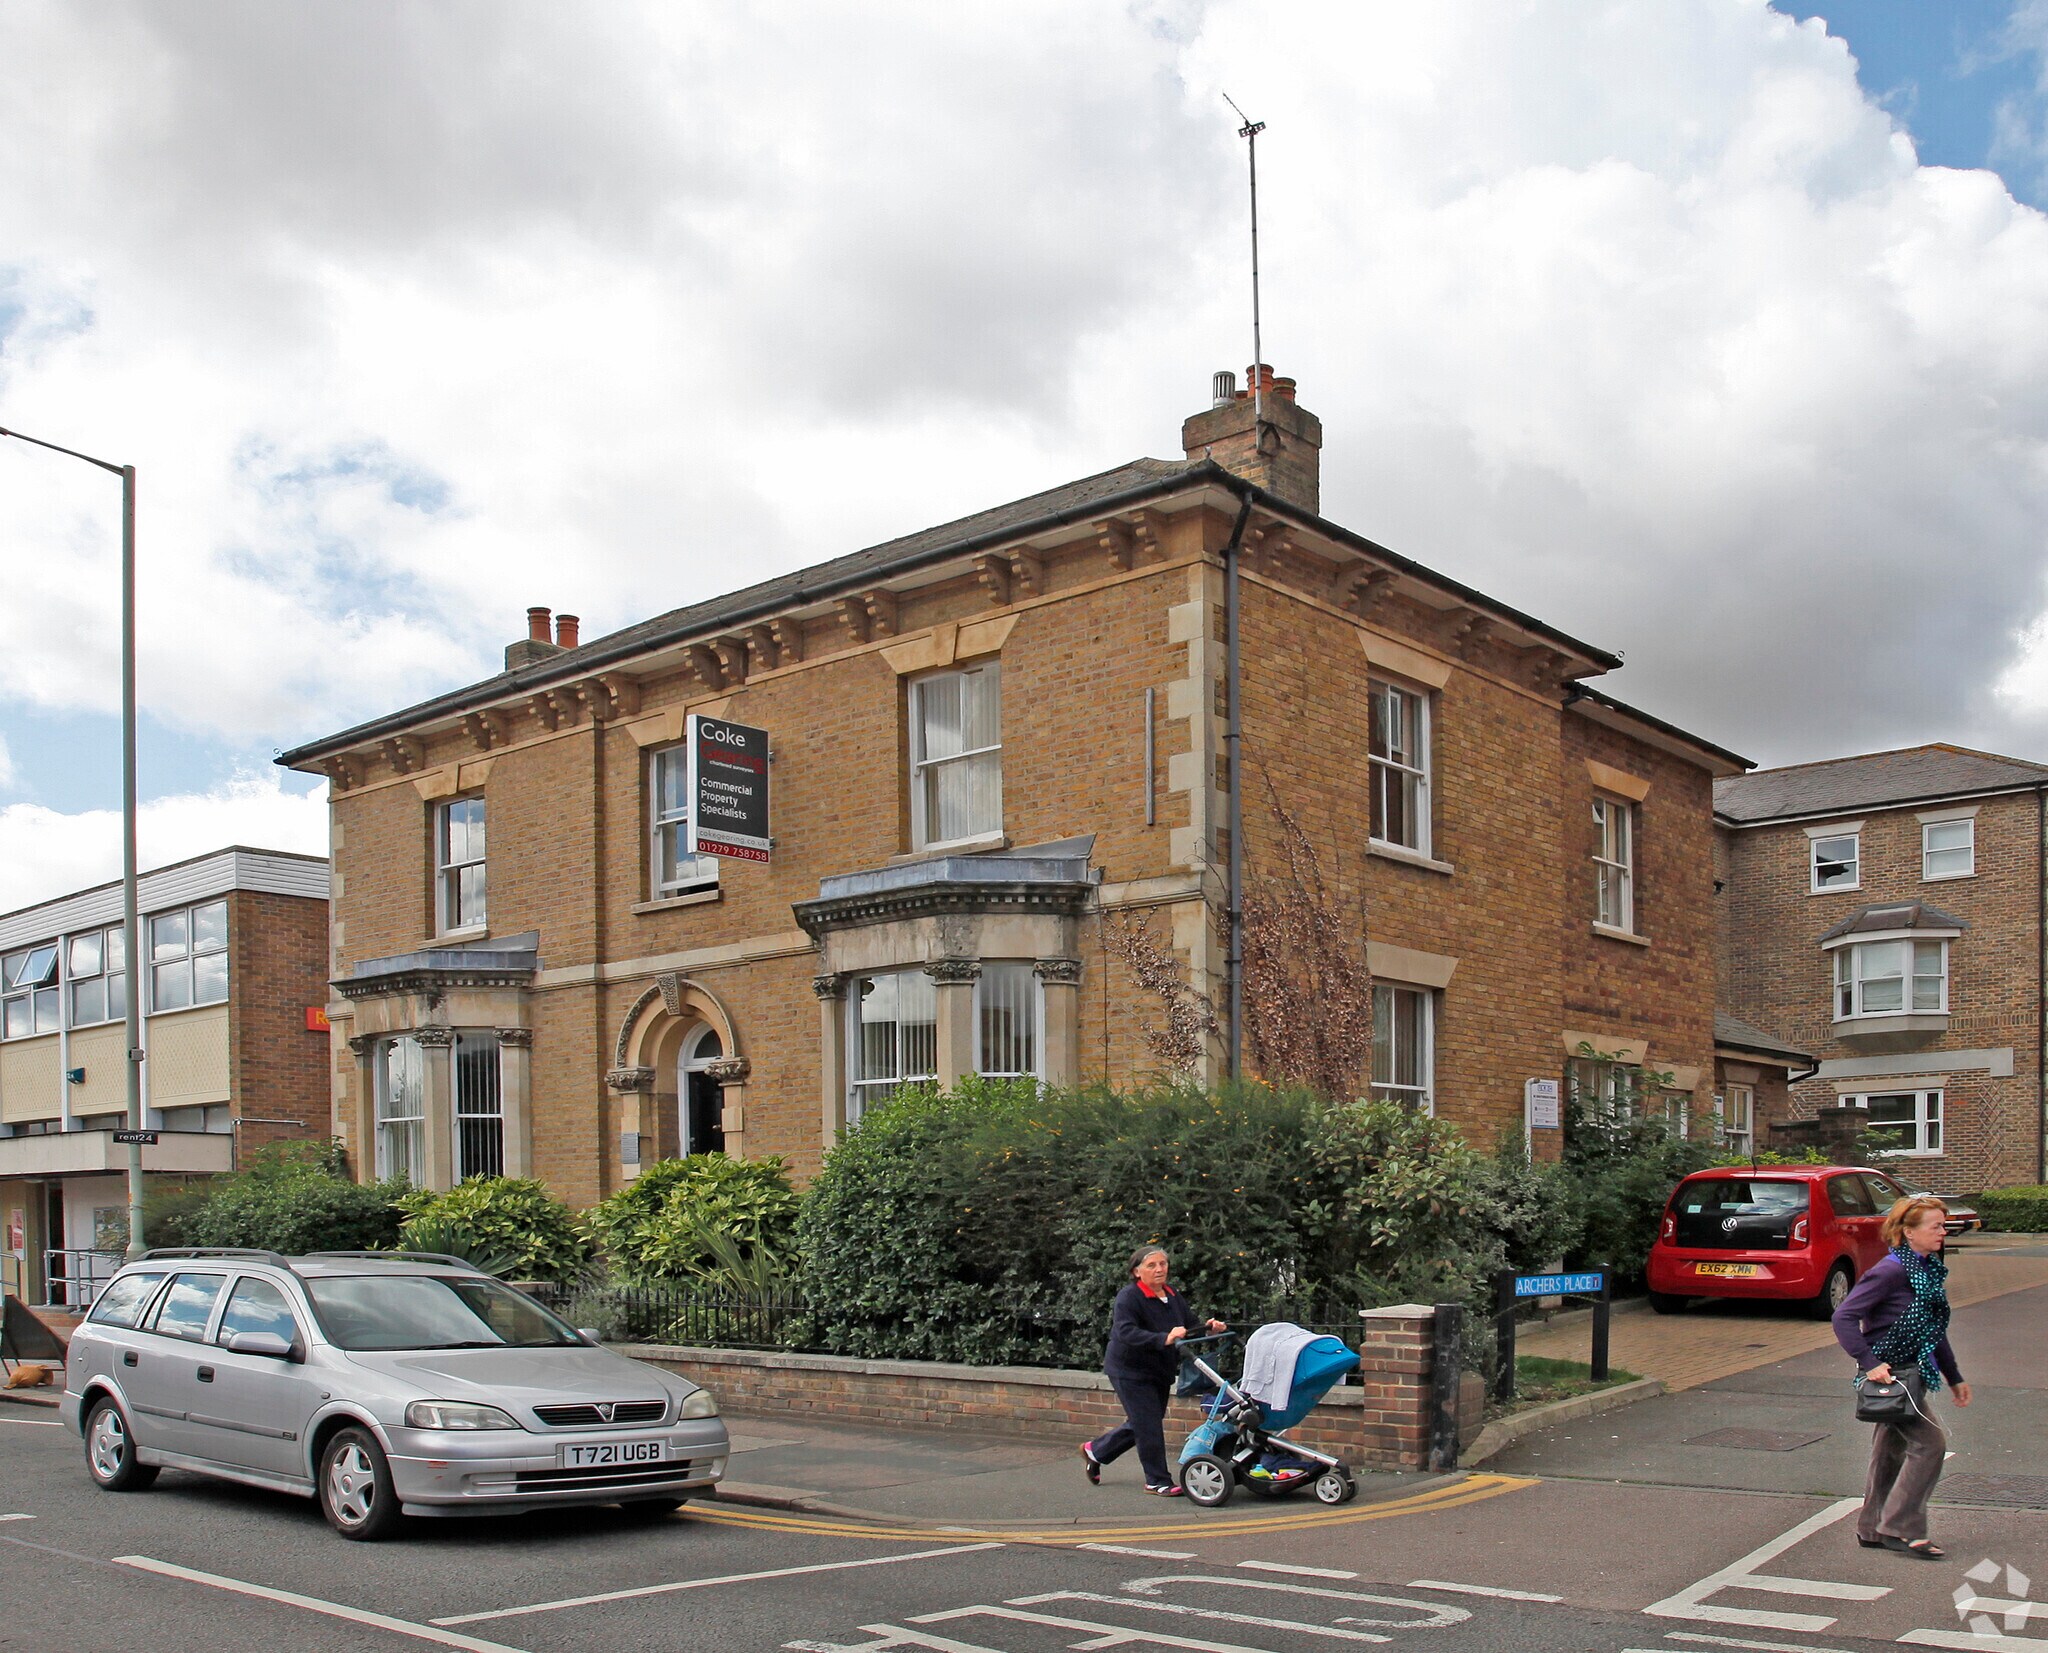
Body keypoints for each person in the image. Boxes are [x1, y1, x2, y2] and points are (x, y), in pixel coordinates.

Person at [1832, 1194, 1973, 1560]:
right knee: (1930, 1444)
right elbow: (1844, 1317)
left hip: (1912, 1373)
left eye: (1943, 1225)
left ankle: (1872, 1526)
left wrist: (1954, 1375)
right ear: (1908, 1232)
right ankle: (1901, 1526)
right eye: (1935, 1226)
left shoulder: (1923, 1270)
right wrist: (1868, 1361)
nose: (1943, 1231)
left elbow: (1931, 1329)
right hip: (1891, 1376)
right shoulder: (1891, 1270)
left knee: (1890, 1450)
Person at [1079, 1245, 1226, 1496]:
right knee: (1148, 1425)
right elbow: (1125, 1332)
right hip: (1129, 1369)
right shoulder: (1129, 1297)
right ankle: (1157, 1480)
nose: (1159, 1269)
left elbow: (1188, 1325)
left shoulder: (1171, 1294)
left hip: (1158, 1368)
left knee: (1145, 1422)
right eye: (1152, 1265)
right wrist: (1164, 1338)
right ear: (1137, 1271)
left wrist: (1208, 1327)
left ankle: (1097, 1450)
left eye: (1163, 1264)